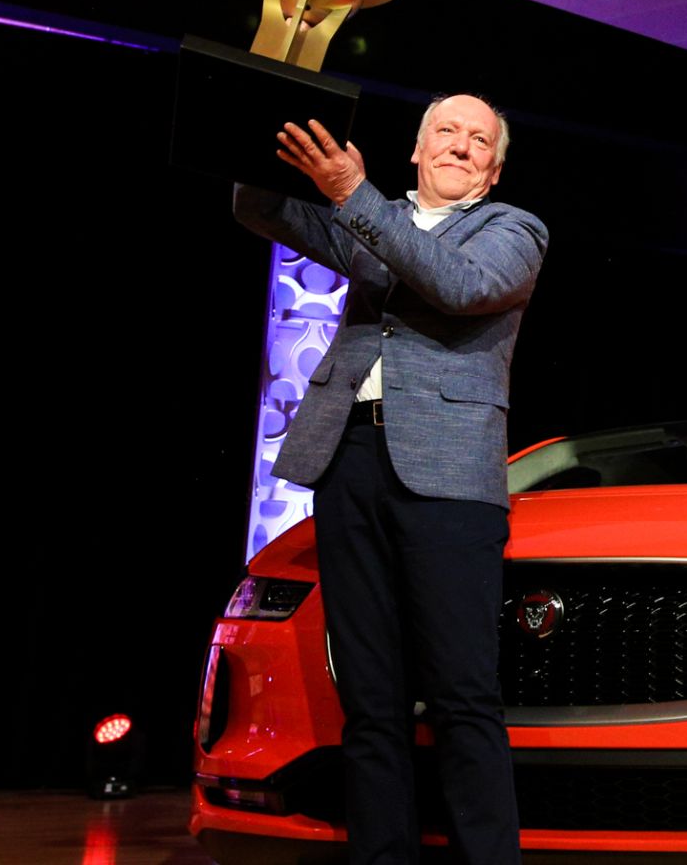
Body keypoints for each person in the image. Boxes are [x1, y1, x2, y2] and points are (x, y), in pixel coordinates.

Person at [234, 94, 548, 865]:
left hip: (450, 480)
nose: (461, 147)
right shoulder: (370, 215)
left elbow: (458, 286)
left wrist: (354, 196)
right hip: (351, 463)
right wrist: (259, 119)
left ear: (495, 167)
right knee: (369, 699)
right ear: (415, 149)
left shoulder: (514, 229)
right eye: (447, 131)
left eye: (479, 141)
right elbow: (264, 209)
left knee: (463, 698)